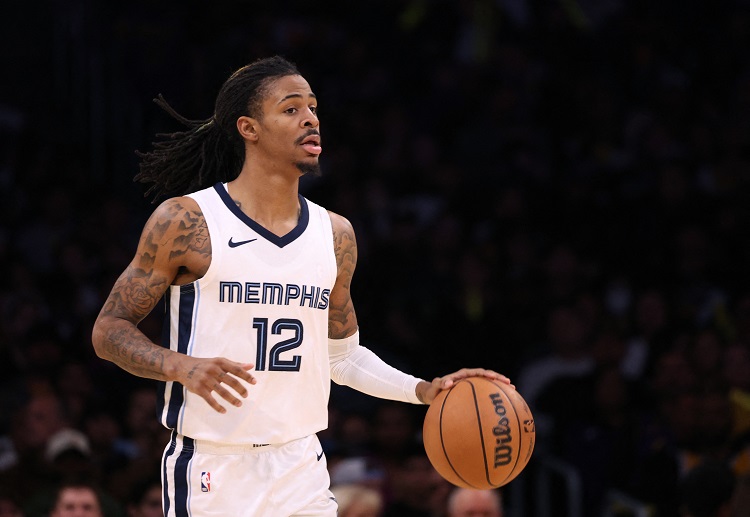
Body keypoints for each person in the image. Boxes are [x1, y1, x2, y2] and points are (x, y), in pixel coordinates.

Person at [91, 55, 509, 516]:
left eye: (312, 107)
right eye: (291, 109)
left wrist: (424, 390)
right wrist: (181, 366)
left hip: (300, 466)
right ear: (248, 128)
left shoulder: (335, 234)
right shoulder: (188, 221)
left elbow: (342, 357)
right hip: (214, 467)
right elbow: (108, 330)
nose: (311, 118)